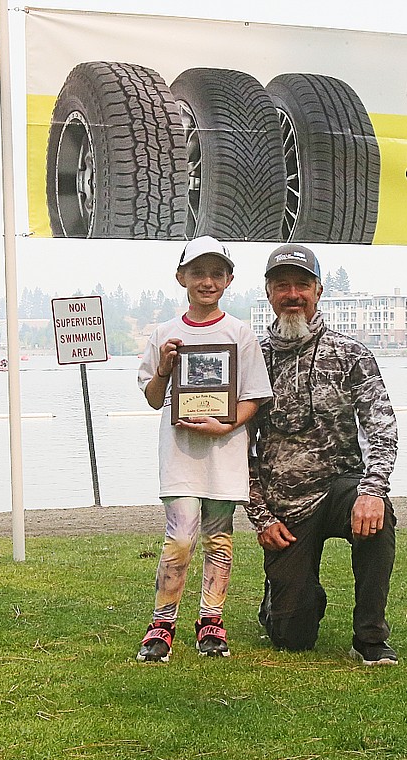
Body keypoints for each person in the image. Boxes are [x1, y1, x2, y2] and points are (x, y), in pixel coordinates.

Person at [246, 243, 400, 665]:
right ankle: (284, 598)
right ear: (268, 293)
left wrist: (373, 491)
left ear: (318, 290)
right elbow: (238, 448)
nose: (292, 294)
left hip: (342, 491)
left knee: (379, 516)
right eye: (282, 286)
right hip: (284, 507)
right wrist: (262, 516)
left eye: (302, 284)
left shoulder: (352, 355)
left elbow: (382, 429)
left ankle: (370, 637)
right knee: (293, 638)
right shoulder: (252, 361)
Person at [135, 235, 272, 662]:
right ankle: (162, 623)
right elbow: (155, 397)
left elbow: (253, 395)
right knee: (179, 539)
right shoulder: (164, 334)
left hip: (224, 453)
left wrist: (225, 424)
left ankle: (210, 621)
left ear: (229, 280)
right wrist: (164, 368)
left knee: (219, 540)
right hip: (179, 454)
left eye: (216, 273)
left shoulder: (240, 333)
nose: (207, 281)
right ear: (181, 278)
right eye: (198, 273)